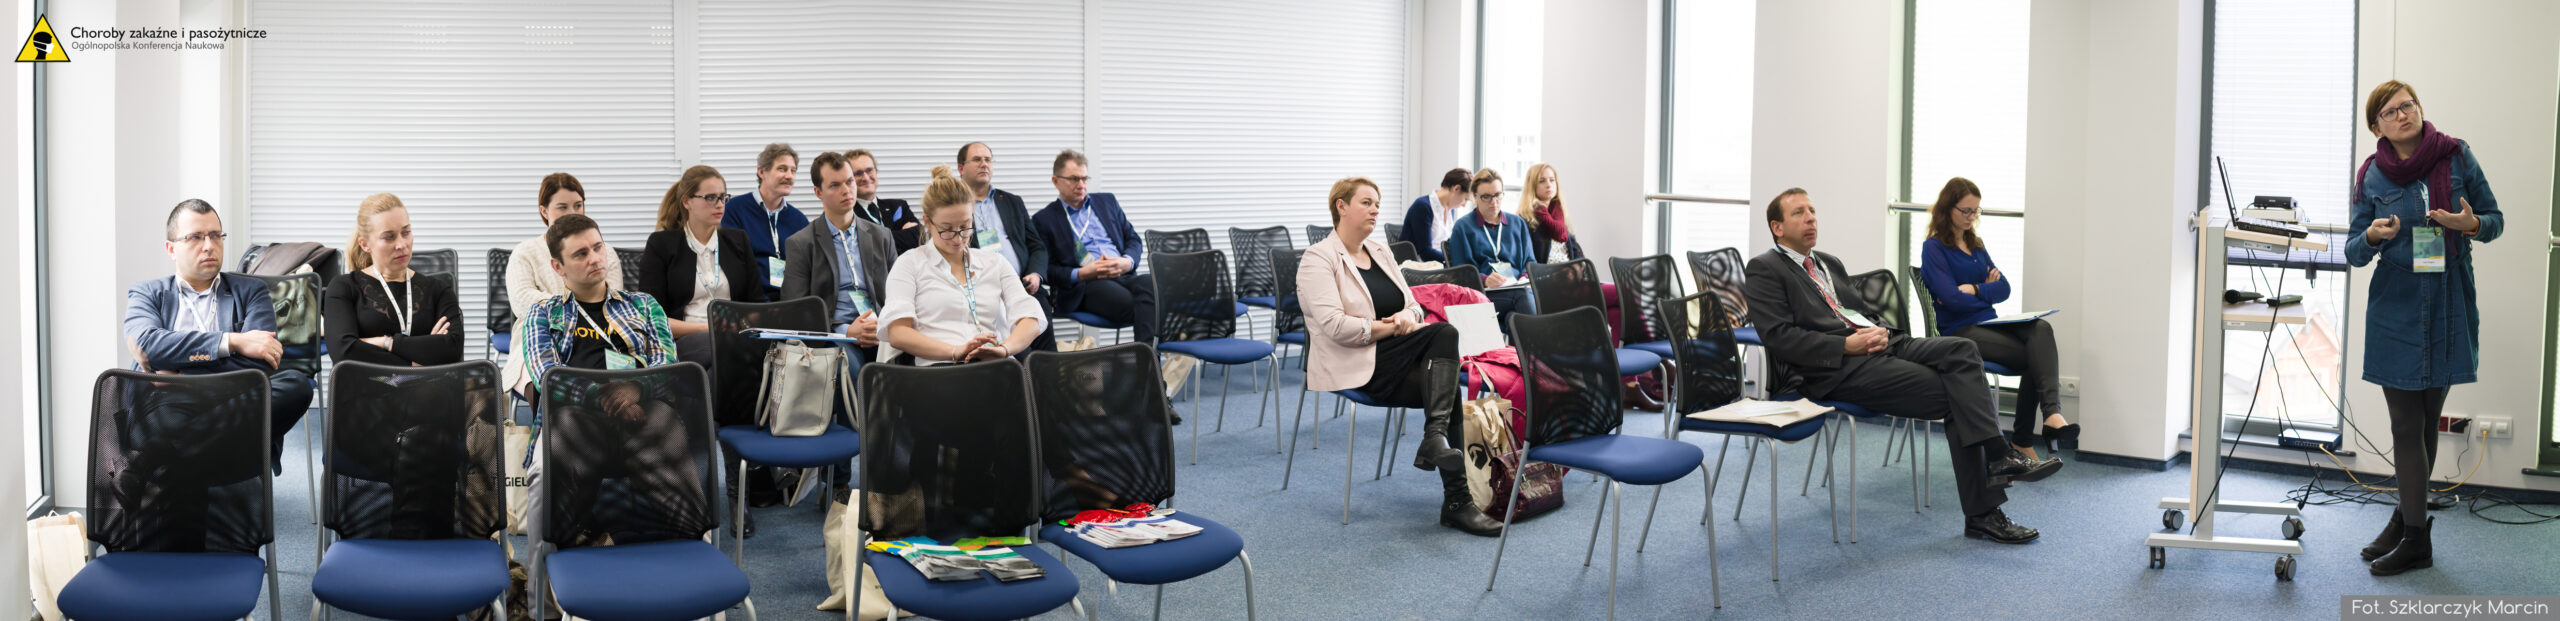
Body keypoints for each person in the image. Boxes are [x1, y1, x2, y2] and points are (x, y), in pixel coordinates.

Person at [1743, 187, 2057, 544]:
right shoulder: (1765, 269)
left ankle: (1997, 467)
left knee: (1963, 350)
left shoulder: (1828, 262)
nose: (1811, 218)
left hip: (1882, 344)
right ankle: (1988, 500)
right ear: (1777, 228)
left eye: (1812, 210)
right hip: (1836, 367)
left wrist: (1877, 329)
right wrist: (1845, 345)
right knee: (1959, 395)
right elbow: (1780, 338)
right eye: (1799, 213)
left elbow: (1858, 310)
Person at [2346, 80, 2502, 576]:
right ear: (2376, 126)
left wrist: (2469, 225)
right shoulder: (2371, 175)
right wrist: (2372, 235)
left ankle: (2406, 520)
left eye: (2408, 105)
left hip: (2448, 299)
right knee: (2405, 424)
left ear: (2419, 109)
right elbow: (2352, 250)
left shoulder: (2456, 156)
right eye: (2390, 112)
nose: (2403, 114)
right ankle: (2416, 537)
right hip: (2396, 304)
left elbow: (2495, 220)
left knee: (2427, 418)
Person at [1297, 177, 1498, 536]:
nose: (1375, 210)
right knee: (1445, 341)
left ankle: (1449, 476)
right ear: (1341, 207)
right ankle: (1454, 493)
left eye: (1378, 203)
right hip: (1354, 361)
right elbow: (1335, 327)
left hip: (1394, 356)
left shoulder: (1381, 251)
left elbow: (1414, 306)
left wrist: (1407, 317)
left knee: (1445, 383)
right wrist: (1390, 327)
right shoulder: (1318, 258)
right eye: (1366, 203)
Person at [519, 214, 691, 545]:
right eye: (581, 254)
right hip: (576, 419)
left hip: (643, 413)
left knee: (665, 427)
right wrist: (607, 400)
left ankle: (682, 538)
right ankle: (562, 551)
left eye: (598, 248)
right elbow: (546, 375)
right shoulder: (542, 313)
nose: (595, 258)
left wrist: (636, 388)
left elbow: (665, 362)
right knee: (558, 438)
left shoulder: (643, 305)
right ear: (558, 267)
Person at [123, 199, 315, 469]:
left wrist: (180, 377)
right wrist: (233, 341)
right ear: (171, 249)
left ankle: (156, 462)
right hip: (169, 405)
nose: (209, 245)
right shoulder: (147, 293)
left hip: (231, 399)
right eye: (195, 237)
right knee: (163, 422)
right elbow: (147, 345)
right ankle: (186, 459)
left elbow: (260, 361)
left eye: (215, 235)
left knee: (296, 384)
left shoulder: (251, 290)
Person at [1919, 177, 2075, 461]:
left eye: (1975, 211)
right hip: (1960, 331)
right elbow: (1951, 300)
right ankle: (2025, 438)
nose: (1971, 217)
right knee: (2036, 358)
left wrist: (1976, 289)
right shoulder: (1934, 248)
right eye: (1966, 210)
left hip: (1989, 325)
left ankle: (2051, 414)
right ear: (1947, 208)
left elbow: (2004, 288)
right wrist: (1983, 292)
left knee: (2041, 327)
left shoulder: (1975, 244)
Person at [881, 165, 1048, 365]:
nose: (958, 238)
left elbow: (1031, 318)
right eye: (947, 229)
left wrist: (1004, 349)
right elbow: (898, 333)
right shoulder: (910, 263)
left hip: (992, 364)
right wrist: (955, 351)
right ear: (927, 222)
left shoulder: (994, 262)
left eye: (965, 226)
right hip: (940, 367)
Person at [503, 173, 628, 398]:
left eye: (578, 205)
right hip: (539, 332)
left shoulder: (604, 251)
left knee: (620, 389)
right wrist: (577, 307)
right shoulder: (525, 252)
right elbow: (522, 301)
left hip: (597, 333)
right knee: (543, 384)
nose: (572, 213)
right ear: (544, 211)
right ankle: (547, 421)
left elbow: (614, 299)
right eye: (562, 207)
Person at [639, 164, 768, 370]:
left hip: (736, 337)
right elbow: (652, 318)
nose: (720, 205)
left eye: (723, 197)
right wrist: (708, 328)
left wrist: (739, 326)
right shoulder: (662, 244)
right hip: (686, 340)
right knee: (716, 350)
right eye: (710, 198)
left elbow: (756, 305)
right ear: (687, 202)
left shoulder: (738, 241)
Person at [782, 151, 899, 366]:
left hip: (881, 330)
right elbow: (795, 310)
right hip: (836, 335)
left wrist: (883, 325)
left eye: (849, 181)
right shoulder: (801, 243)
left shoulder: (882, 236)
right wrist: (846, 331)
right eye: (835, 185)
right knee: (847, 365)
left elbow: (899, 294)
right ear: (818, 192)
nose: (846, 190)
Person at [325, 193, 466, 368]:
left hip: (429, 385)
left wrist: (386, 342)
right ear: (365, 244)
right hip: (367, 385)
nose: (402, 244)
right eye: (389, 237)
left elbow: (452, 349)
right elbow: (344, 352)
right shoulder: (344, 287)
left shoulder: (439, 289)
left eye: (406, 232)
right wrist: (416, 363)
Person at [1031, 149, 1158, 343]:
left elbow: (1132, 238)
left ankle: (1146, 358)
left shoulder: (1107, 202)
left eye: (1084, 178)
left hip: (1122, 272)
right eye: (1074, 179)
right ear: (1056, 181)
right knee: (1142, 305)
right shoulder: (1044, 219)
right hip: (1086, 284)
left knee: (1152, 284)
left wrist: (1127, 261)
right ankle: (1150, 356)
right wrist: (1081, 273)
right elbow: (1045, 269)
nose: (1081, 185)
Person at [954, 141, 1058, 352]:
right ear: (961, 168)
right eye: (977, 159)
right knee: (1019, 350)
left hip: (1023, 284)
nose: (984, 164)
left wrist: (1035, 274)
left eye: (988, 160)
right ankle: (1022, 367)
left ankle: (1050, 371)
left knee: (1045, 344)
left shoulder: (1011, 202)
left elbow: (1037, 246)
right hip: (983, 289)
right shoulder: (954, 204)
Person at [720, 142, 810, 301]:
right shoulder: (734, 210)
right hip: (749, 300)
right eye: (782, 169)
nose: (789, 176)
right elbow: (733, 266)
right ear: (761, 172)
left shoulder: (799, 220)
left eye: (793, 170)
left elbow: (805, 270)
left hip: (790, 301)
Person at [1442, 168, 1537, 319]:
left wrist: (1524, 278)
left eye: (1498, 195)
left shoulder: (1517, 223)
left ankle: (1517, 331)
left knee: (1513, 316)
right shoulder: (1463, 227)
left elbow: (1530, 262)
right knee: (1523, 297)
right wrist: (1485, 280)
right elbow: (1459, 272)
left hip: (1518, 289)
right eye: (1486, 197)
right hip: (1483, 294)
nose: (1494, 202)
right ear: (1475, 197)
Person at [843, 149, 923, 254]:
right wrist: (902, 234)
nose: (866, 178)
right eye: (858, 173)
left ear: (876, 172)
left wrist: (877, 240)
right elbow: (862, 246)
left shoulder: (899, 206)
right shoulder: (846, 215)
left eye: (869, 170)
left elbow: (919, 237)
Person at [1398, 167, 1471, 262]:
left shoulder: (1450, 210)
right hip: (1419, 265)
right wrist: (1454, 260)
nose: (1464, 204)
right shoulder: (1423, 206)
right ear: (1456, 189)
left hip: (1441, 263)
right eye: (1465, 199)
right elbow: (1425, 252)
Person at [1516, 162, 1584, 263]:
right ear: (1532, 186)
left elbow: (1577, 252)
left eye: (1552, 180)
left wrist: (1578, 266)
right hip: (1545, 271)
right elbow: (1525, 259)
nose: (1548, 185)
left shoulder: (1559, 214)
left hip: (1569, 269)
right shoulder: (1525, 219)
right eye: (1542, 181)